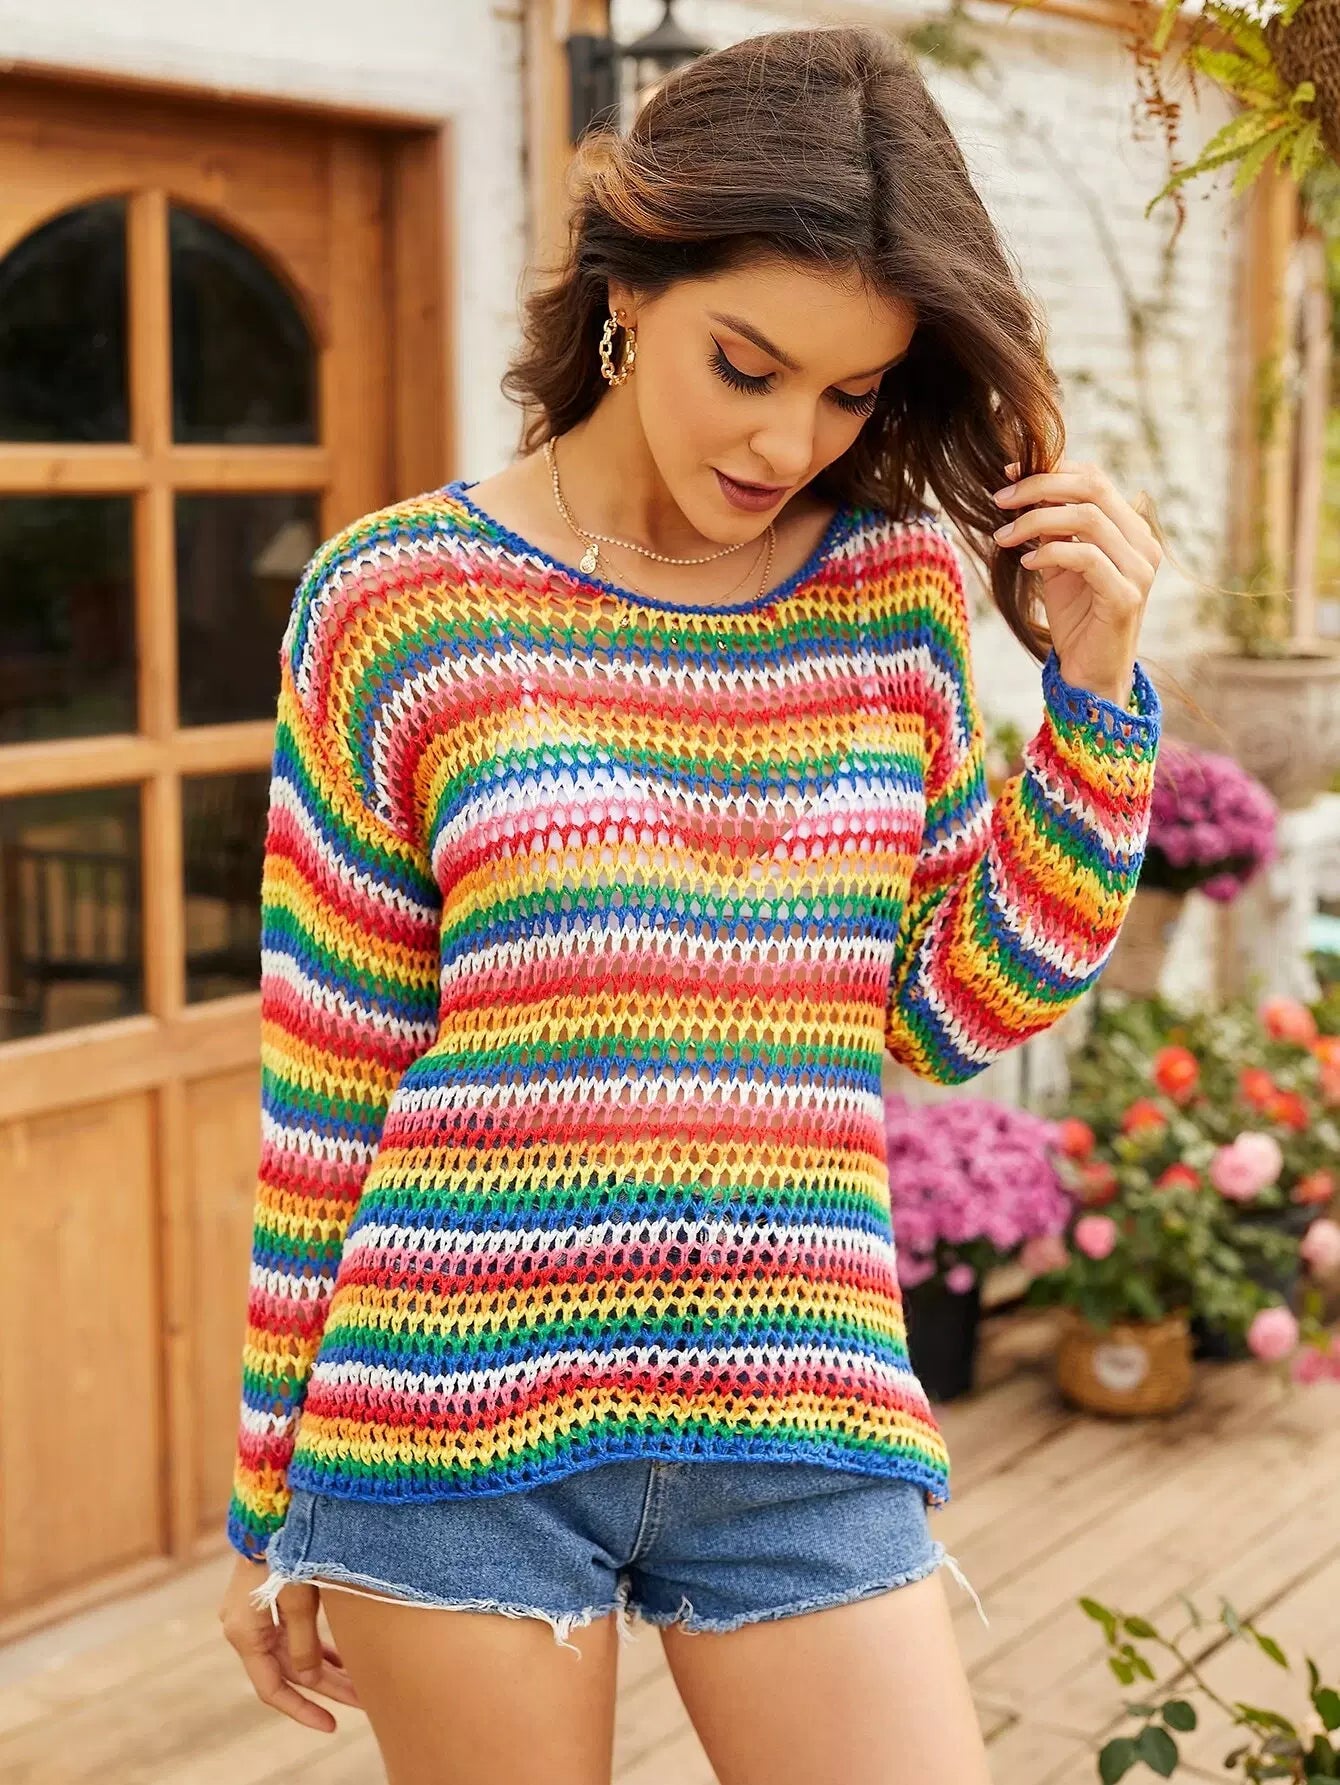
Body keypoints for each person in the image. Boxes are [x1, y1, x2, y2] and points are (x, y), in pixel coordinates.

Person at [218, 22, 1161, 1785]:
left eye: (852, 393)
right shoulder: (395, 601)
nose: (791, 437)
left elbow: (955, 1011)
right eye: (749, 363)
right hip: (451, 1416)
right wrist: (273, 1488)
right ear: (628, 286)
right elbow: (332, 1085)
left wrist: (1094, 699)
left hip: (804, 1402)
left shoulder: (892, 593)